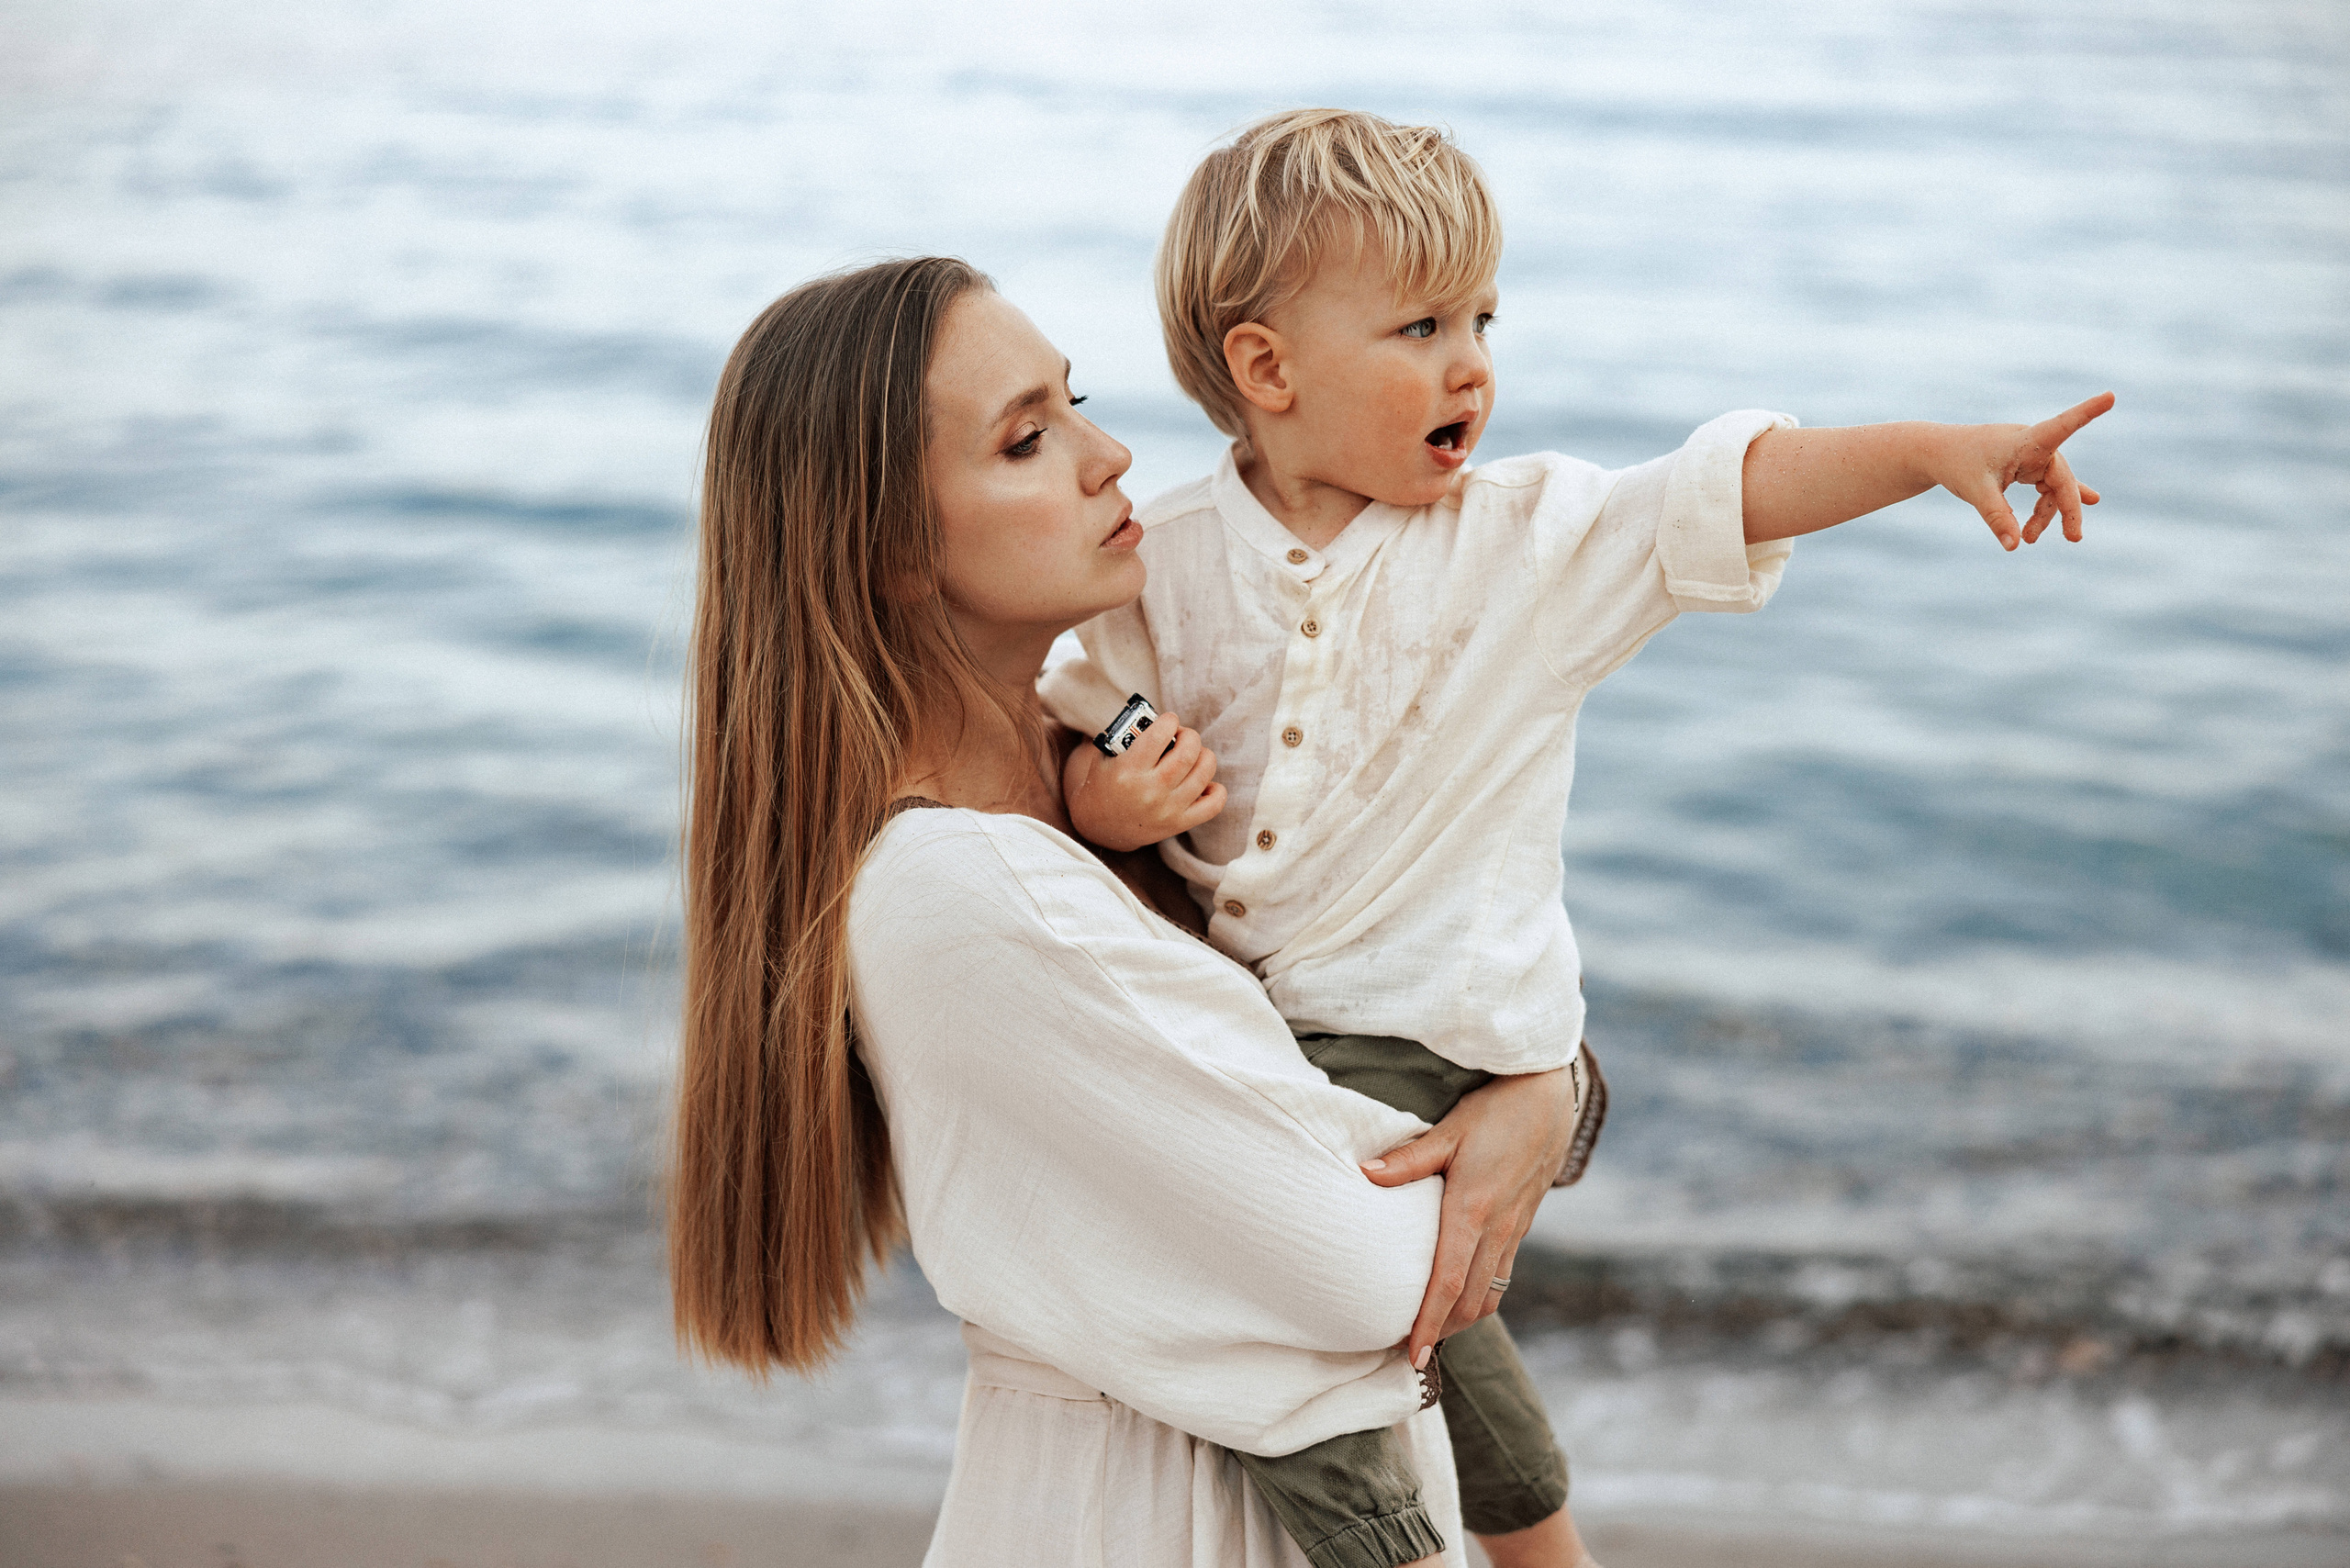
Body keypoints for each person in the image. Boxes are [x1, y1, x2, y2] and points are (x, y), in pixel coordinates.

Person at [1043, 107, 2112, 1568]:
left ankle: (1392, 1551)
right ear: (1267, 368)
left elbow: (1723, 492)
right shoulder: (1166, 561)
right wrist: (1112, 798)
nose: (1472, 363)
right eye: (1421, 326)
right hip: (1268, 1037)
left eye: (1482, 319)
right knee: (1430, 1341)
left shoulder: (1526, 538)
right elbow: (1086, 725)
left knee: (1303, 1318)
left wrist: (1933, 451)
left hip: (1432, 1031)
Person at [666, 254, 1588, 1567]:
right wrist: (1528, 1102)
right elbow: (1364, 1269)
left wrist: (1540, 1085)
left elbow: (1373, 988)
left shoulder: (1111, 778)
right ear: (891, 551)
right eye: (1026, 440)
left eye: (1077, 404)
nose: (1110, 459)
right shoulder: (965, 890)